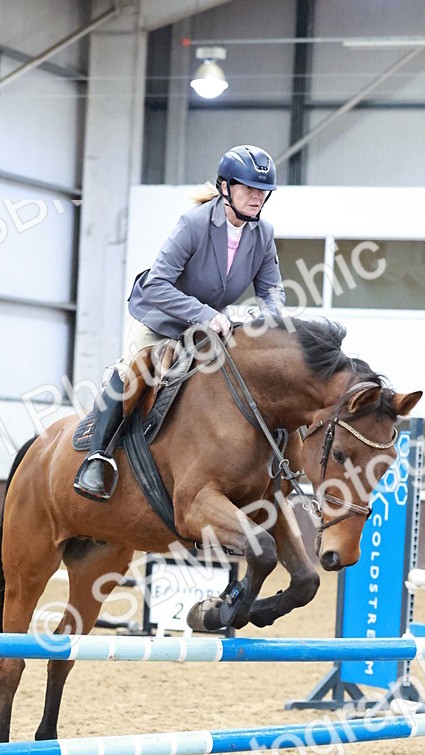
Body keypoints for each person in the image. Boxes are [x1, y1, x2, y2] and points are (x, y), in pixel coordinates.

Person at [74, 144, 286, 501]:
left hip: (206, 327)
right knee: (133, 371)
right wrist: (206, 315)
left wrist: (271, 321)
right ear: (225, 188)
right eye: (249, 188)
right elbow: (158, 283)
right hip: (160, 316)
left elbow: (272, 290)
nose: (257, 197)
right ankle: (98, 457)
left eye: (263, 191)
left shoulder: (262, 234)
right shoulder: (194, 224)